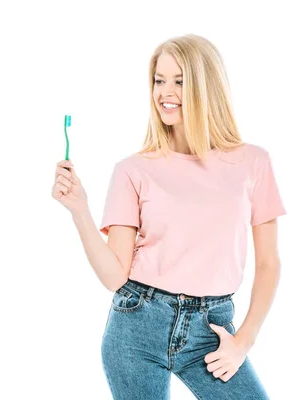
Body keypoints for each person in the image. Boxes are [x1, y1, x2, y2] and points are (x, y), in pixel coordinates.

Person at [51, 33, 286, 400]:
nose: (166, 91)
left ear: (206, 86)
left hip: (212, 331)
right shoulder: (133, 169)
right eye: (159, 80)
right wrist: (80, 210)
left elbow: (269, 263)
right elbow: (115, 275)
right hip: (137, 327)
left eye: (180, 80)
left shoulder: (252, 163)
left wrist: (243, 341)